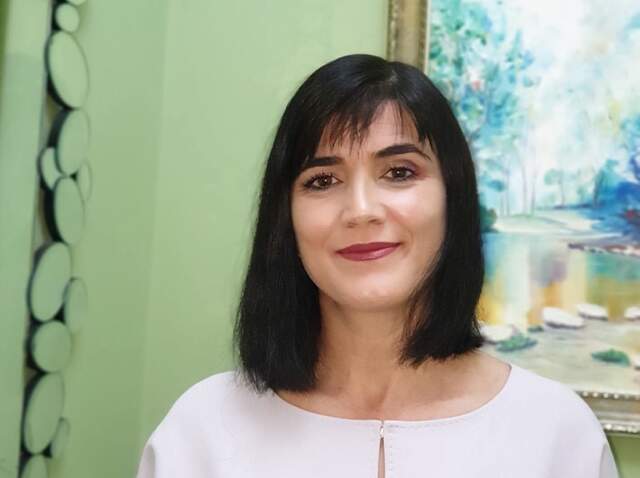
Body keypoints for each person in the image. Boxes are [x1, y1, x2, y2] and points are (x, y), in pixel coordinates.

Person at [135, 54, 619, 478]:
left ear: (453, 199)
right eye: (323, 180)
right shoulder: (202, 431)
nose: (361, 210)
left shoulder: (556, 433)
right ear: (285, 218)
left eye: (399, 172)